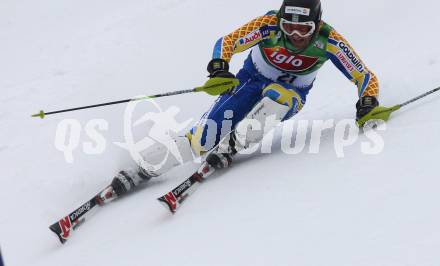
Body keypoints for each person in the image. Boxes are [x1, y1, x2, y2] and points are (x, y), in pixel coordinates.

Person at [106, 0, 389, 199]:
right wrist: (219, 66)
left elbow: (364, 75)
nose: (294, 35)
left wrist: (367, 102)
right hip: (249, 81)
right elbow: (228, 41)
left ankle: (233, 144)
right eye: (289, 26)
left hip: (291, 94)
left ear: (317, 25)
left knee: (277, 97)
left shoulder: (329, 41)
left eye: (303, 29)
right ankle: (143, 168)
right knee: (203, 136)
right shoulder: (268, 25)